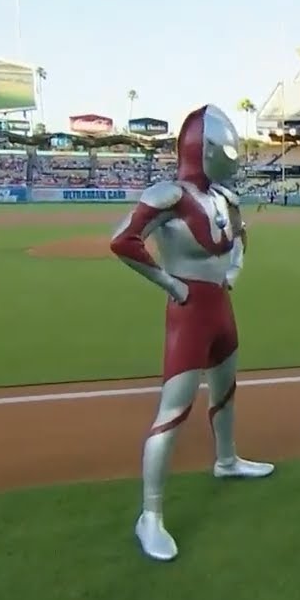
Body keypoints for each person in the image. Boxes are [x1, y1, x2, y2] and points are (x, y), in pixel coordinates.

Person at [109, 104, 274, 563]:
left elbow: (241, 237)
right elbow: (122, 240)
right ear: (201, 149)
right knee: (173, 412)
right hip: (188, 311)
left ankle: (227, 460)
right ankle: (150, 516)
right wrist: (169, 282)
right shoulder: (169, 195)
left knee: (225, 391)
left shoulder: (226, 199)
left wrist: (235, 272)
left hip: (220, 304)